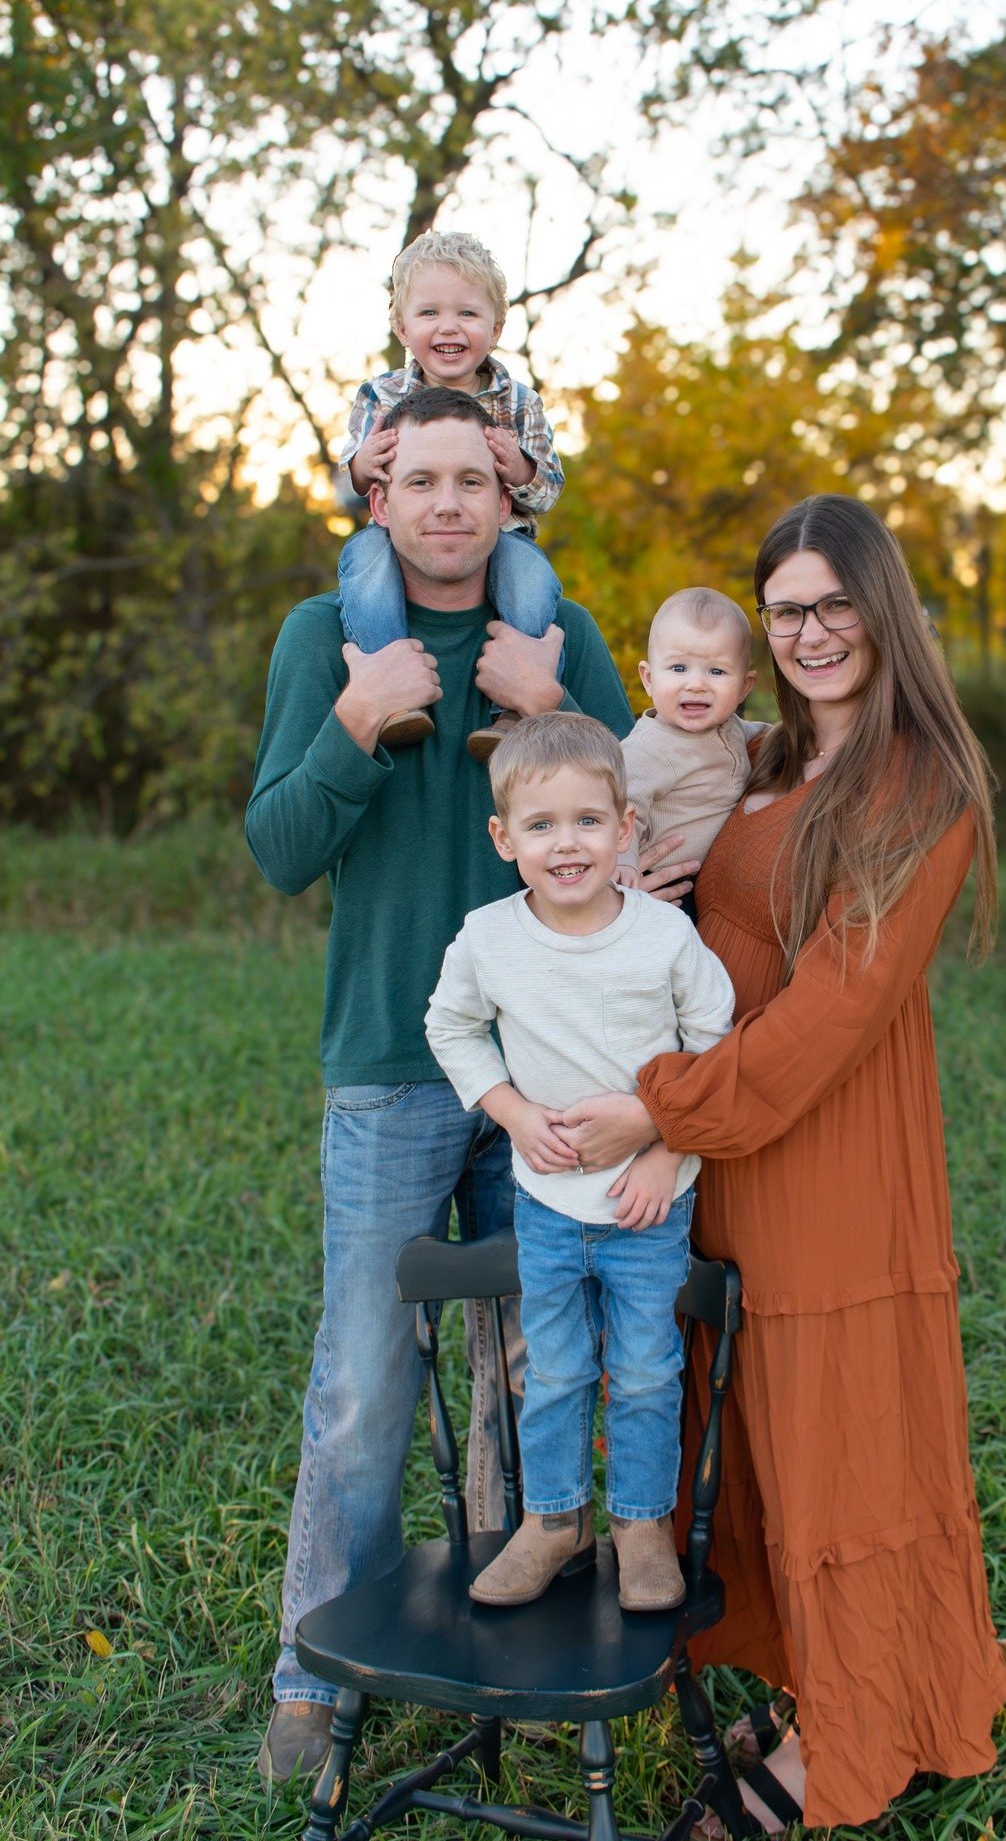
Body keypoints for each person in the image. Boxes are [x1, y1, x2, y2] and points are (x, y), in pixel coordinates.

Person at [553, 495, 1006, 1830]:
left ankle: (860, 1729)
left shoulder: (918, 781)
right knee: (753, 1437)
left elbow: (827, 1016)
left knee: (842, 1448)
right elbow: (634, 778)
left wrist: (659, 1107)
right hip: (727, 1151)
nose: (810, 631)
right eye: (787, 609)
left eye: (833, 604)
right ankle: (829, 1679)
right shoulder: (758, 757)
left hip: (822, 1153)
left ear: (885, 611)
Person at [245, 384, 635, 1786]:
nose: (451, 505)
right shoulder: (324, 639)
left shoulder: (556, 638)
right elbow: (281, 851)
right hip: (391, 1072)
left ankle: (514, 1647)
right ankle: (314, 1668)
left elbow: (634, 839)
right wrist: (356, 725)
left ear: (510, 495)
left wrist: (560, 709)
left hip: (551, 1081)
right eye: (422, 481)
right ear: (380, 495)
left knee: (533, 1375)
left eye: (477, 479)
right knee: (359, 1380)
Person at [425, 712, 735, 1612]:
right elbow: (449, 1026)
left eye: (588, 822)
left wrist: (665, 1146)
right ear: (504, 838)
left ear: (625, 827)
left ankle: (640, 1526)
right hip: (549, 1203)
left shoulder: (663, 937)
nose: (567, 844)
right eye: (542, 825)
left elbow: (715, 1049)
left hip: (650, 1203)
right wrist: (511, 1111)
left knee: (644, 1371)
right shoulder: (489, 937)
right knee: (555, 1371)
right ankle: (553, 1520)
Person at [333, 229, 565, 757]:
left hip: (499, 541)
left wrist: (522, 468)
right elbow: (351, 484)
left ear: (495, 327)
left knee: (531, 581)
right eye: (430, 313)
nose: (448, 327)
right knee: (363, 569)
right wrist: (362, 467)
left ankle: (511, 710)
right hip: (394, 540)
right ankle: (392, 690)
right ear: (402, 327)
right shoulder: (381, 396)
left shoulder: (520, 403)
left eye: (466, 313)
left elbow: (549, 489)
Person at [617, 588, 768, 901]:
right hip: (666, 884)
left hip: (713, 877)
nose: (696, 684)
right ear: (648, 679)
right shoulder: (647, 749)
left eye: (716, 671)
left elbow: (763, 735)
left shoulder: (733, 729)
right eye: (678, 668)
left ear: (744, 687)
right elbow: (620, 810)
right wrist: (624, 864)